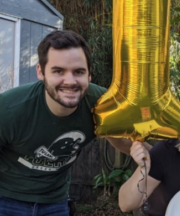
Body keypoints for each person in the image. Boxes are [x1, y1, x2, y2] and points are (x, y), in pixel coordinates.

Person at [0, 30, 133, 216]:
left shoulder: (102, 104)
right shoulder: (9, 109)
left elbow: (121, 141)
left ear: (89, 75)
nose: (70, 81)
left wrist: (169, 158)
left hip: (55, 201)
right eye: (58, 71)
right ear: (41, 72)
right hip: (6, 199)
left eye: (78, 72)